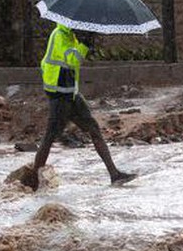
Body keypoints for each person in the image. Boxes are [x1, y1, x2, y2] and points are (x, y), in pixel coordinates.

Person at [24, 23, 137, 191]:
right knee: (49, 137)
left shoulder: (70, 35)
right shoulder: (59, 35)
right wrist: (84, 45)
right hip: (59, 95)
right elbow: (72, 61)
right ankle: (33, 181)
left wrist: (84, 42)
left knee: (94, 129)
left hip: (71, 93)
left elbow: (74, 61)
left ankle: (114, 174)